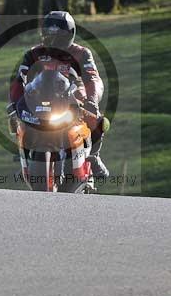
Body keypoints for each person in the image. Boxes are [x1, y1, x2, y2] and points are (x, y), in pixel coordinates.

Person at [7, 11, 109, 177]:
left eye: (59, 36)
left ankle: (93, 157)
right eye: (49, 36)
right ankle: (26, 158)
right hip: (42, 97)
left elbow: (92, 79)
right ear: (43, 35)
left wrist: (92, 100)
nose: (53, 41)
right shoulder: (33, 53)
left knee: (97, 119)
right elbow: (19, 79)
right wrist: (14, 102)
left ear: (70, 35)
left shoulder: (82, 53)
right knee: (18, 121)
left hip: (74, 94)